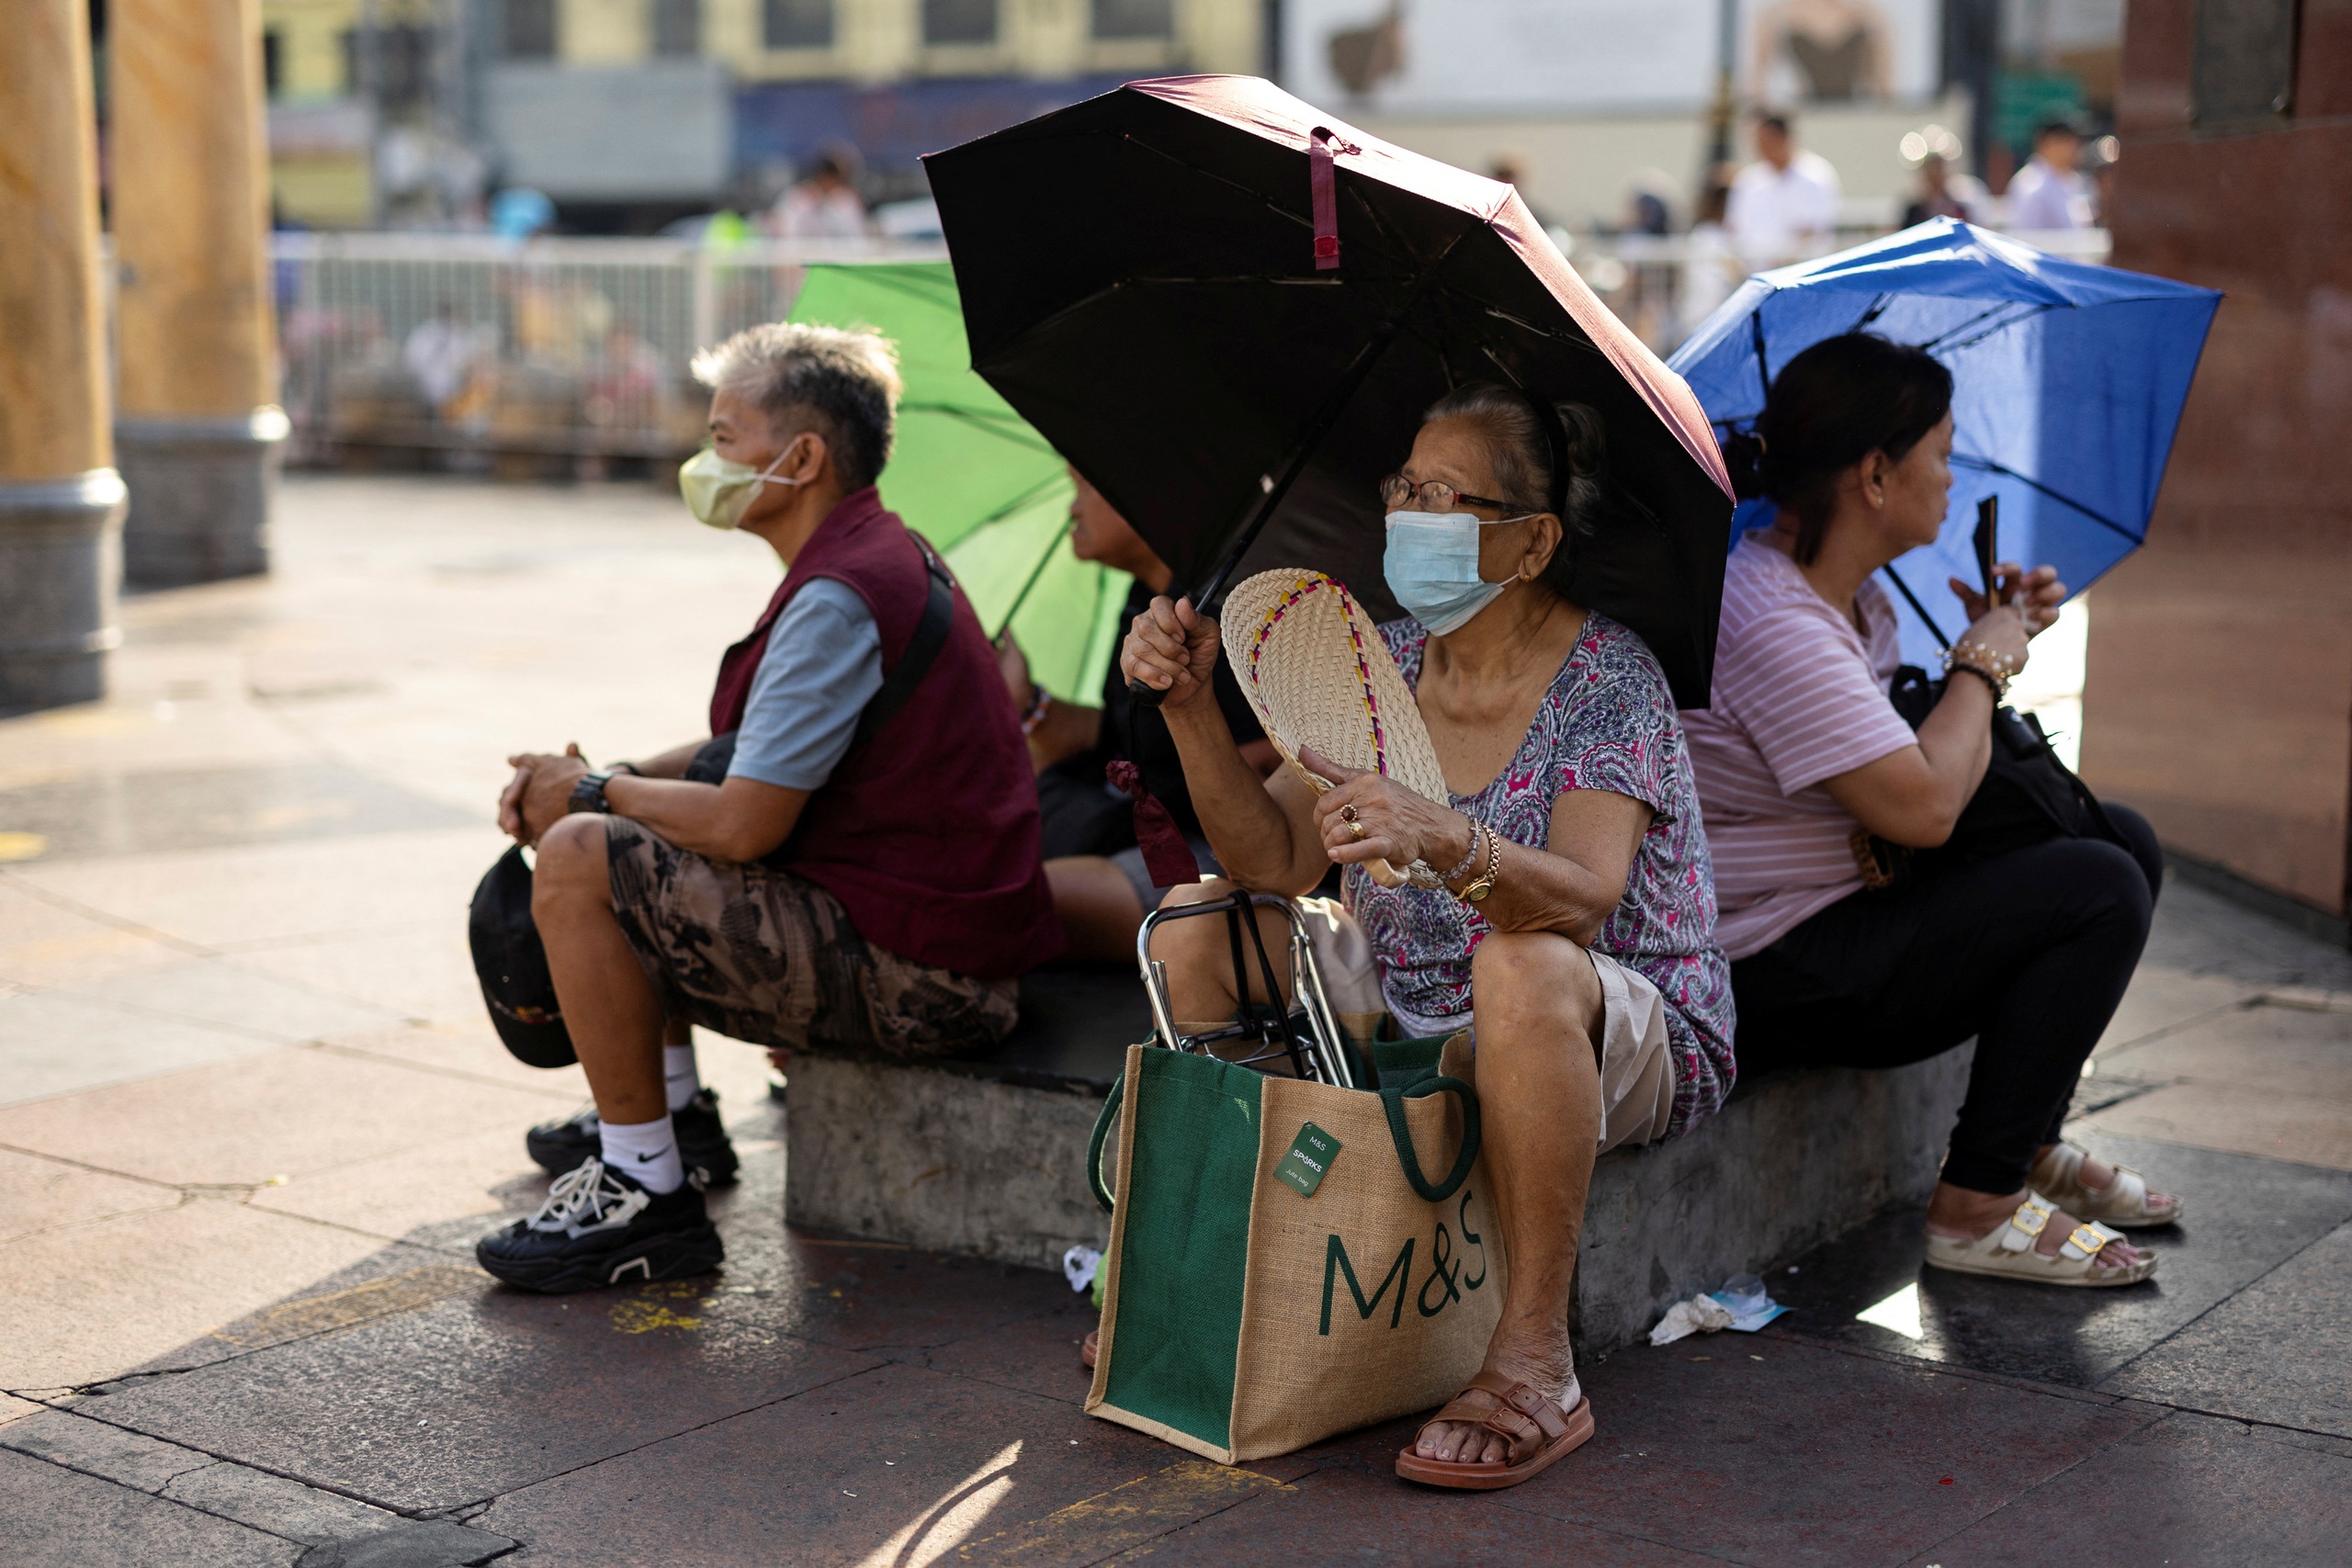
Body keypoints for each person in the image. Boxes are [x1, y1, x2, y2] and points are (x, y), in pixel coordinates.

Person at [1124, 384, 1735, 1489]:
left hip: (1606, 1018)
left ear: (1530, 539)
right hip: (1413, 1006)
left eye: (1440, 494)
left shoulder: (1611, 678)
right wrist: (1189, 709)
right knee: (1194, 930)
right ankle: (1217, 1272)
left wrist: (1453, 843)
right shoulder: (1377, 659)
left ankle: (1535, 1359)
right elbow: (1273, 865)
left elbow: (1586, 901)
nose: (1406, 513)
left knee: (1518, 963)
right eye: (1404, 486)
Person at [475, 322, 1061, 1292]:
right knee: (626, 831)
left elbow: (747, 821)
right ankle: (674, 1120)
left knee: (588, 855)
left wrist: (584, 792)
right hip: (929, 941)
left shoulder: (840, 594)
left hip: (927, 978)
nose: (707, 462)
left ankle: (643, 1193)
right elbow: (746, 754)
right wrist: (607, 773)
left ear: (801, 458)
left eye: (724, 438)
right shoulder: (870, 556)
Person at [1685, 333, 2179, 1292]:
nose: (1952, 477)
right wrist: (1980, 662)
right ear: (1874, 473)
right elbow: (1921, 809)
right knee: (2097, 885)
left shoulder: (1845, 598)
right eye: (1942, 454)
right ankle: (1974, 1209)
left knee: (2116, 837)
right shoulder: (1768, 616)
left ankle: (2025, 1145)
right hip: (1764, 966)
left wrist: (1990, 640)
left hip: (1832, 914)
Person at [999, 468, 1279, 962]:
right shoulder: (1144, 600)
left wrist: (1192, 713)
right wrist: (1025, 701)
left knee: (993, 898)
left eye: (1085, 485)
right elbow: (1119, 739)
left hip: (1210, 857)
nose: (1073, 508)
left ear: (1145, 497)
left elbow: (1264, 788)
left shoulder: (1224, 611)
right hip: (1128, 828)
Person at [1725, 114, 1842, 270]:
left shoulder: (1816, 176)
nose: (1761, 148)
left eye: (1767, 141)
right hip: (1755, 277)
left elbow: (1811, 232)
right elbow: (1735, 230)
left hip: (1803, 274)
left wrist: (1780, 266)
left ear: (1784, 138)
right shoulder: (1748, 181)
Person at [2004, 119, 2095, 231]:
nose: (2074, 146)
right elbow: (2026, 235)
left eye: (2075, 141)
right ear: (2045, 144)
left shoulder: (2075, 180)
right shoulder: (2031, 184)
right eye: (2064, 140)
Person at [769, 144, 867, 241]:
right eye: (835, 179)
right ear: (824, 176)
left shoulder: (848, 200)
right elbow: (783, 233)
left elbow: (857, 235)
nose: (839, 184)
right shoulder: (795, 197)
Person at [1899, 152, 1989, 228]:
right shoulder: (1914, 212)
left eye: (1939, 169)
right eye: (1931, 170)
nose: (1935, 176)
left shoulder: (1959, 209)